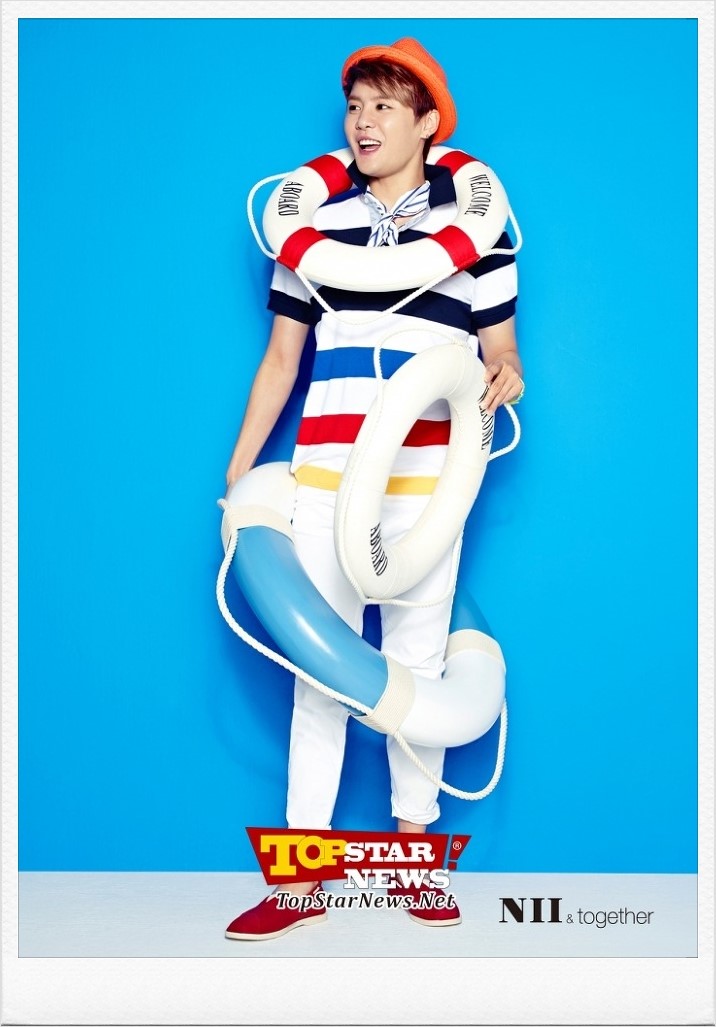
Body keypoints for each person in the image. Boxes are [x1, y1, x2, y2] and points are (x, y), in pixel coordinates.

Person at [223, 37, 523, 941]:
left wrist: (507, 374)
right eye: (355, 106)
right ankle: (300, 878)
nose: (363, 121)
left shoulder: (480, 233)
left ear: (427, 123)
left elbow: (501, 350)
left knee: (417, 668)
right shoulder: (312, 233)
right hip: (324, 473)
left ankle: (414, 859)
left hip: (428, 484)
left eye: (384, 106)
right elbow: (282, 360)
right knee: (320, 673)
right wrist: (240, 468)